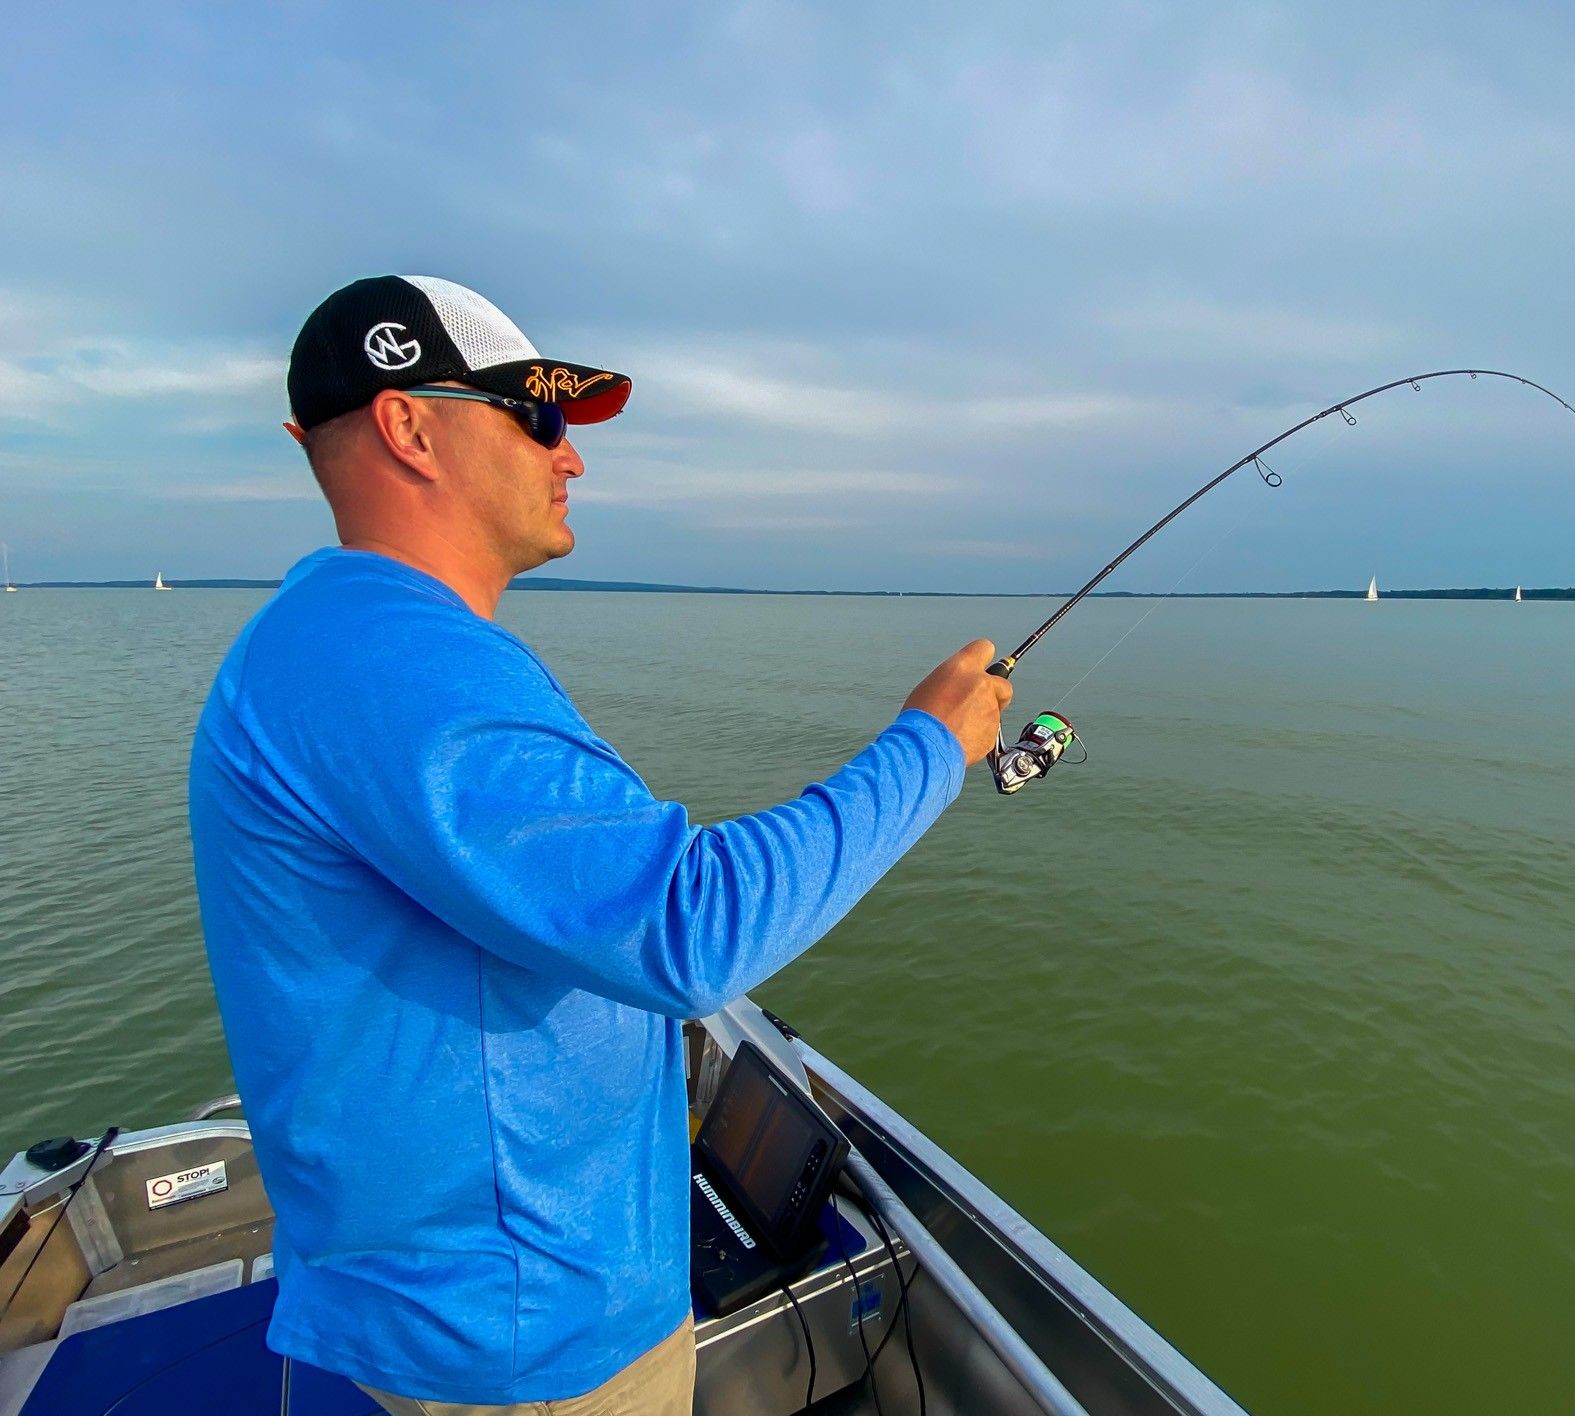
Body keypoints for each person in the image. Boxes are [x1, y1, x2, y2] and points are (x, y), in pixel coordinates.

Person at [187, 275, 1011, 1415]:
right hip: (522, 1344)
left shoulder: (334, 646)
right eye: (536, 417)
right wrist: (929, 746)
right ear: (409, 425)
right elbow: (688, 924)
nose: (569, 457)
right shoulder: (399, 670)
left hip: (456, 1306)